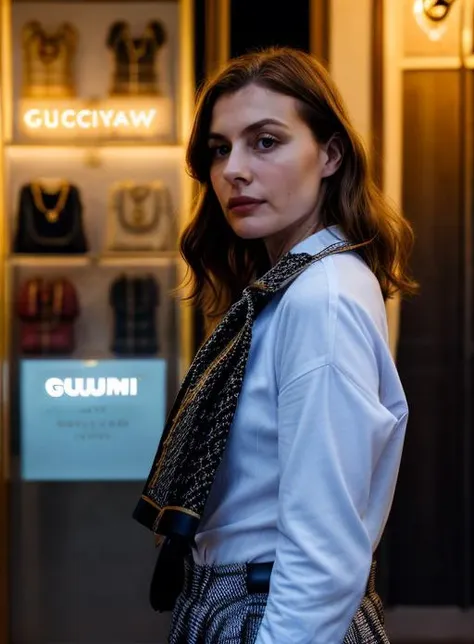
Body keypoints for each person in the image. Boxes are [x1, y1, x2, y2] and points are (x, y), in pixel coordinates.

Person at [133, 46, 416, 644]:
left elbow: (324, 548)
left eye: (265, 142)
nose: (234, 168)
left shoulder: (323, 298)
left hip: (270, 612)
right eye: (219, 148)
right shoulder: (291, 288)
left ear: (330, 154)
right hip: (236, 602)